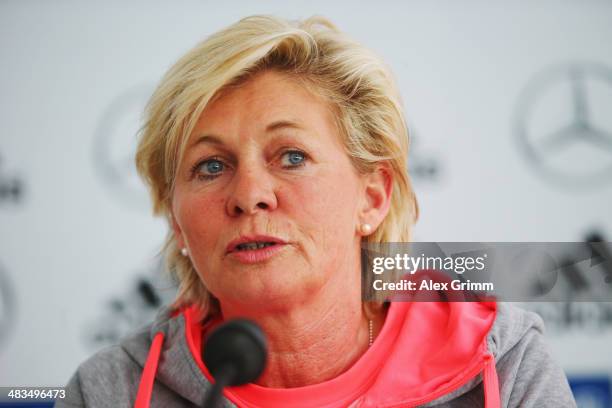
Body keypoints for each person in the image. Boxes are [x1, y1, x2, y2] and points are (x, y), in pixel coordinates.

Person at [57, 15, 576, 408]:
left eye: (292, 157)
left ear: (371, 198)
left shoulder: (502, 363)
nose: (249, 195)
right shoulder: (113, 390)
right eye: (211, 167)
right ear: (176, 222)